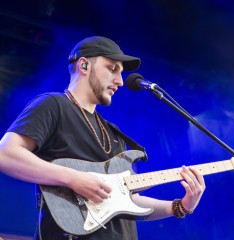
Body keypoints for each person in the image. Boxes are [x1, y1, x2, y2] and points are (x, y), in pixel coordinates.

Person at [0, 36, 205, 240]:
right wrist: (73, 178)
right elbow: (6, 154)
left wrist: (180, 206)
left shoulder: (113, 133)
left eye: (121, 73)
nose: (120, 81)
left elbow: (130, 202)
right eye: (112, 68)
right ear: (84, 65)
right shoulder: (53, 105)